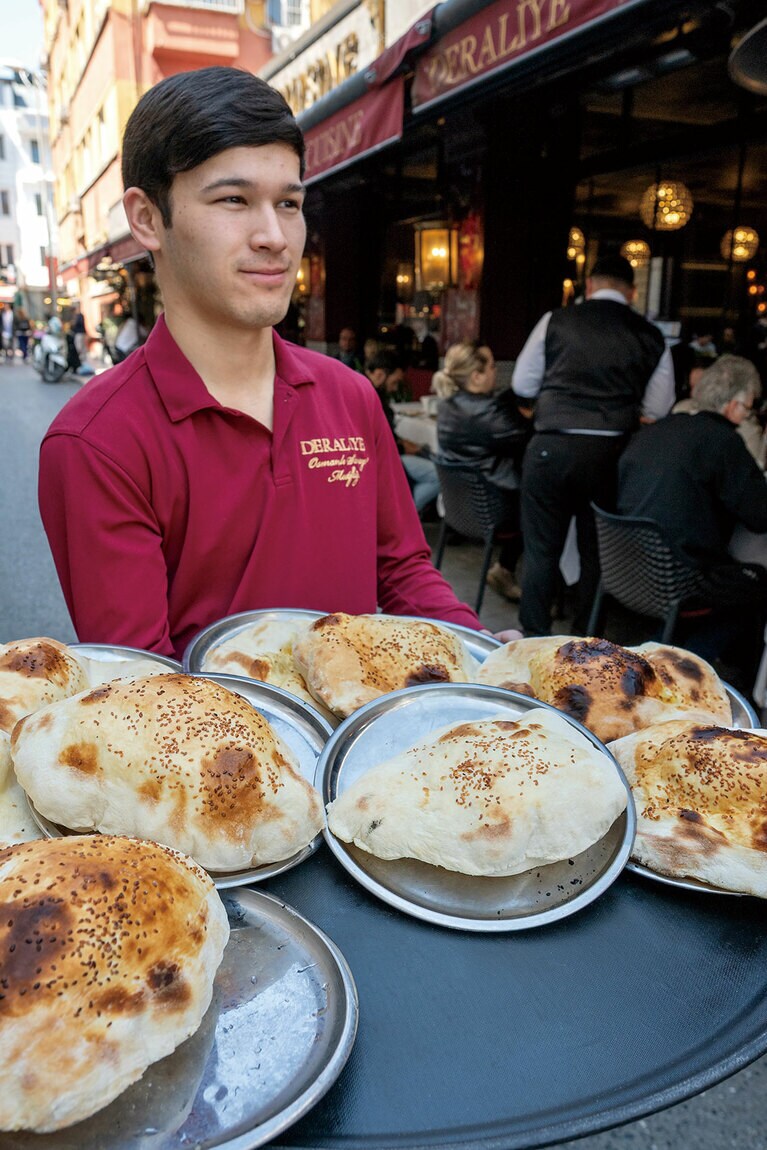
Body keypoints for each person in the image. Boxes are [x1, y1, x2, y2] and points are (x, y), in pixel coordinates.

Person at [38, 66, 481, 659]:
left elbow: (401, 573)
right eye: (234, 200)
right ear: (147, 218)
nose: (274, 235)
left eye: (289, 203)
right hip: (220, 751)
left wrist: (486, 659)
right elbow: (143, 690)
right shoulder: (97, 442)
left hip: (367, 737)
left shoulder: (349, 395)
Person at [511, 253, 675, 636]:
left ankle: (532, 639)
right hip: (610, 455)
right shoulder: (651, 336)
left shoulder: (556, 320)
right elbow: (659, 407)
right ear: (632, 292)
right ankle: (585, 644)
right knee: (596, 556)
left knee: (540, 553)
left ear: (588, 286)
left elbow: (522, 384)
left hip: (552, 447)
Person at [617, 355, 767, 684]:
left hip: (624, 568)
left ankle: (671, 654)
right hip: (677, 578)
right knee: (755, 586)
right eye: (748, 408)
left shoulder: (659, 429)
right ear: (734, 405)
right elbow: (759, 515)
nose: (746, 417)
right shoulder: (724, 440)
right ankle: (681, 670)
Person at [435, 342, 529, 601]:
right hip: (494, 509)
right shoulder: (490, 412)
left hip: (460, 508)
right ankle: (543, 594)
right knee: (546, 508)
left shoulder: (446, 405)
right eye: (491, 366)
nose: (495, 371)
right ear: (476, 376)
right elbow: (527, 437)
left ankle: (506, 569)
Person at [364, 350, 441, 515]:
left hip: (387, 456)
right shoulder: (368, 397)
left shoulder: (372, 393)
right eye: (395, 382)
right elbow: (373, 440)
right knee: (439, 475)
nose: (395, 388)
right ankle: (405, 512)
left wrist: (401, 444)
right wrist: (403, 448)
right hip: (382, 460)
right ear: (379, 375)